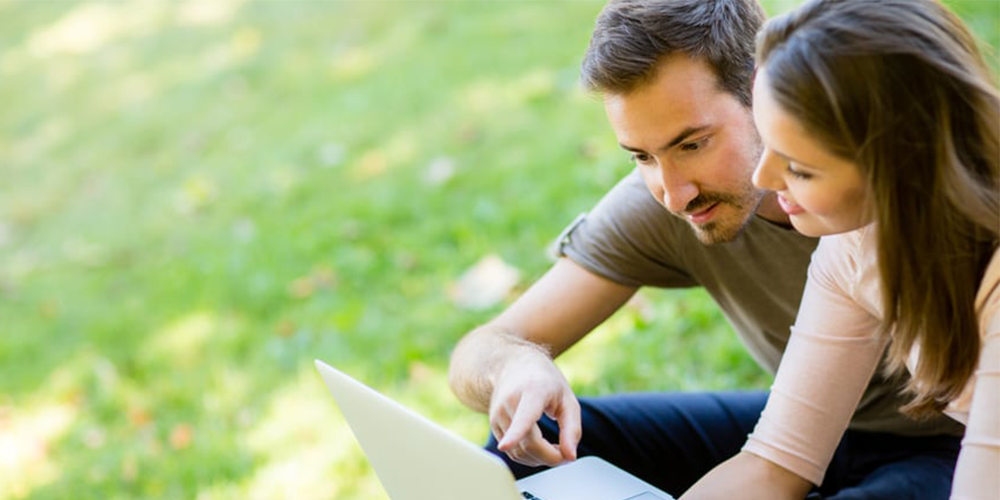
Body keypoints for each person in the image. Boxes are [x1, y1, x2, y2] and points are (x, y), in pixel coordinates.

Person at [449, 0, 967, 498]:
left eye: (691, 144)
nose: (674, 193)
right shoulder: (667, 206)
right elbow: (486, 346)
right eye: (641, 156)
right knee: (531, 443)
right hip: (809, 424)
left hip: (952, 442)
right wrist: (515, 367)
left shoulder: (902, 197)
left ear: (764, 89)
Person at [679, 0, 1000, 499]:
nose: (762, 179)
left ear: (904, 163)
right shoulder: (857, 241)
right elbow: (774, 463)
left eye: (800, 168)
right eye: (765, 143)